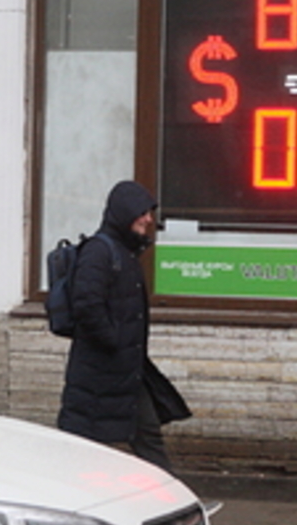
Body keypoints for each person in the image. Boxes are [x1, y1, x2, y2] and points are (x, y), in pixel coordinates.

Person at [57, 180, 191, 472]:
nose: (148, 220)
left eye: (149, 213)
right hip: (100, 375)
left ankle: (171, 505)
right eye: (141, 212)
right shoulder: (99, 252)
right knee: (84, 449)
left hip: (127, 373)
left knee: (148, 436)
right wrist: (113, 341)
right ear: (123, 212)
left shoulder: (126, 253)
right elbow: (87, 306)